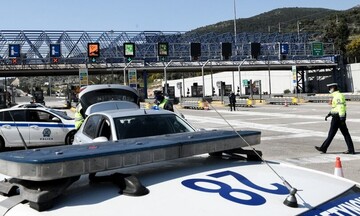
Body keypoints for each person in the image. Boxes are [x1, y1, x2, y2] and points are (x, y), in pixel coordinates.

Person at [315, 83, 355, 154]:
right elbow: (335, 107)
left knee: (332, 133)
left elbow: (341, 107)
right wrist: (330, 113)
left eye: (330, 88)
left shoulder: (338, 96)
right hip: (337, 116)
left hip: (338, 118)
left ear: (333, 88)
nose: (329, 89)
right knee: (344, 133)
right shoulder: (336, 96)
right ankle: (351, 149)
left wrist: (342, 117)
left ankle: (323, 148)